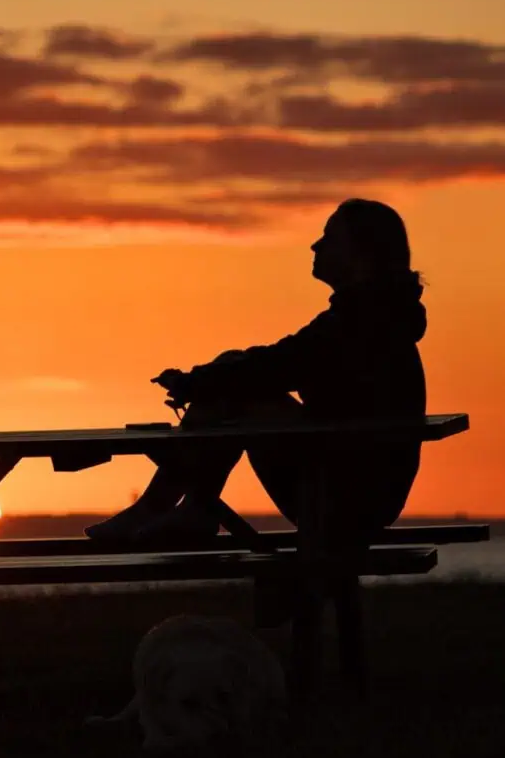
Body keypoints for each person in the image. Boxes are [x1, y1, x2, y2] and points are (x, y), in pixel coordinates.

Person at [85, 198, 427, 554]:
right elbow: (278, 362)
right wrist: (203, 380)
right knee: (234, 379)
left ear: (361, 253)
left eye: (329, 238)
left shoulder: (362, 323)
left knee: (240, 389)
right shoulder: (373, 317)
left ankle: (176, 508)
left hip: (342, 496)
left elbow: (276, 366)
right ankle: (189, 508)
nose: (316, 246)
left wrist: (194, 383)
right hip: (344, 486)